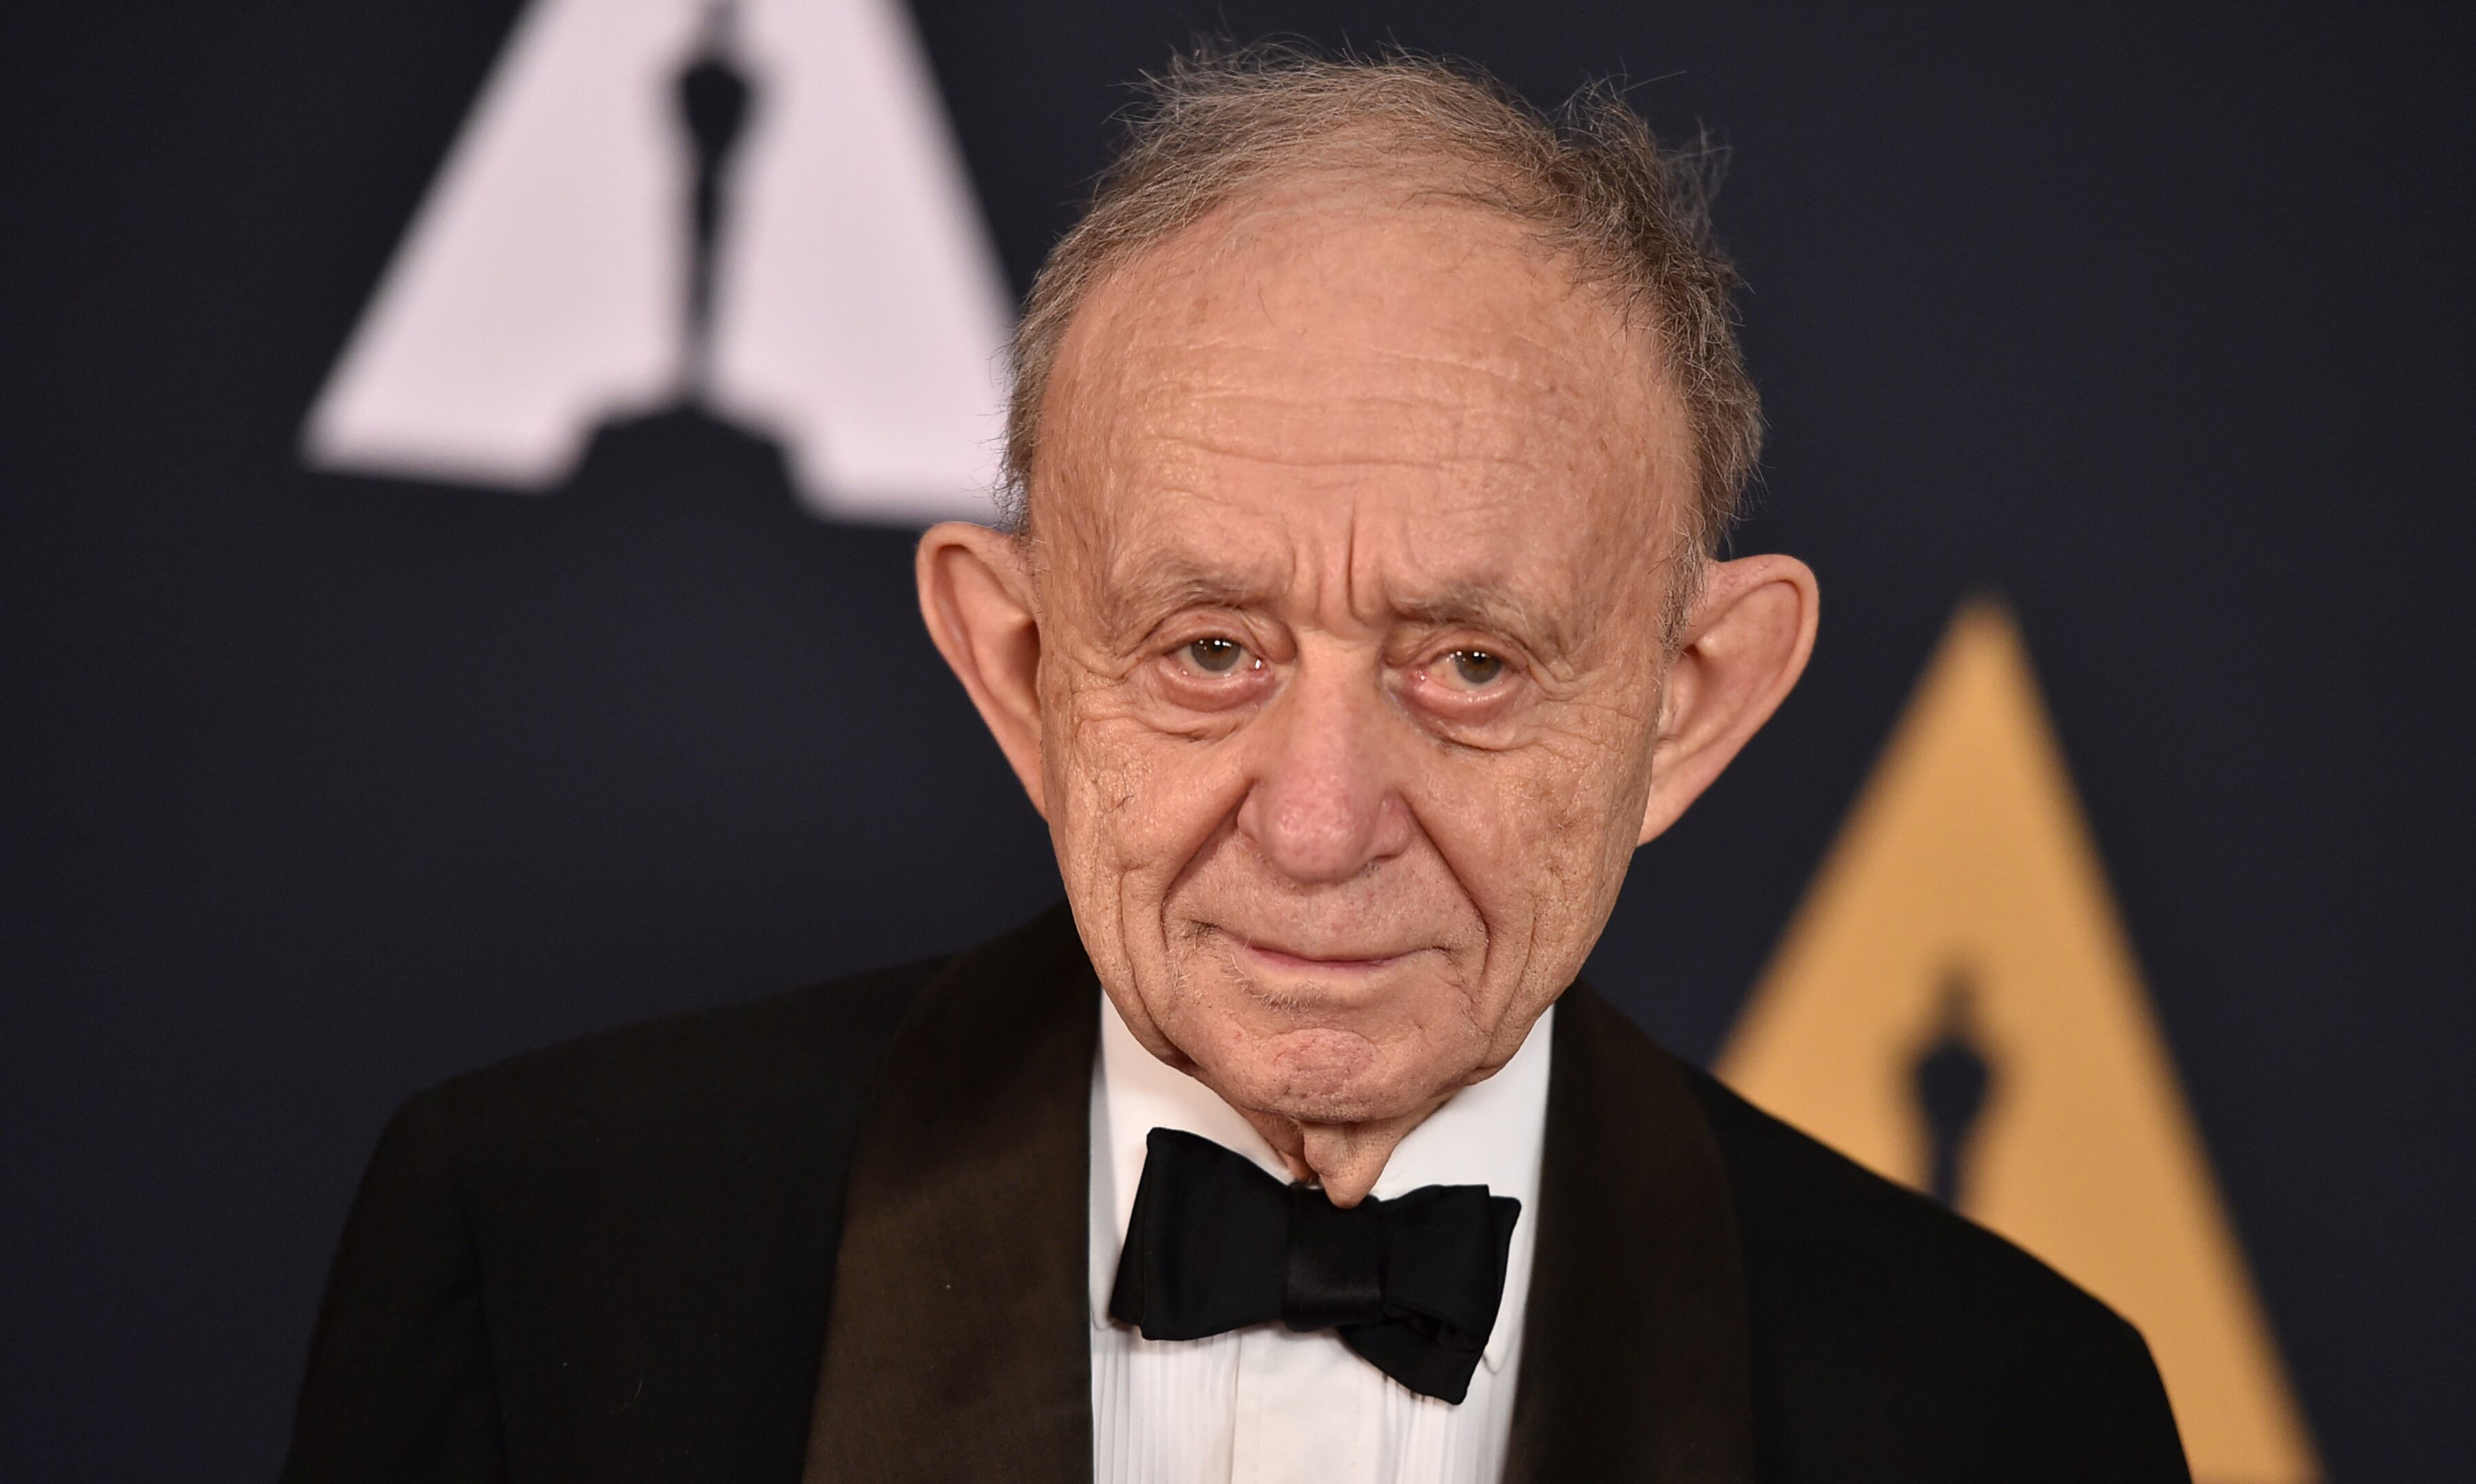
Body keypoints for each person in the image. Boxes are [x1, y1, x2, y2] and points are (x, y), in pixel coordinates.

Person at [282, 47, 2189, 1484]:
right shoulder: (532, 1260)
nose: (1322, 819)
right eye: (1211, 652)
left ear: (1690, 697)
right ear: (1022, 668)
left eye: (1466, 662)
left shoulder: (2010, 1412)